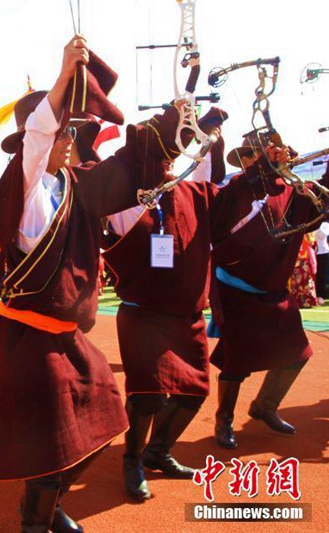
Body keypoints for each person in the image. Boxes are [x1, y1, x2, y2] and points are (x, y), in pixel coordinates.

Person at [0, 35, 206, 531]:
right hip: (31, 341)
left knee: (103, 425)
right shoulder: (22, 191)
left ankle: (50, 503)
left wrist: (177, 118)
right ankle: (36, 520)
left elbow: (129, 166)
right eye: (60, 132)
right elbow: (35, 145)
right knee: (49, 446)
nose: (65, 139)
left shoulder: (74, 185)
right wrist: (62, 79)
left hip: (69, 339)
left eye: (67, 133)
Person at [102, 128, 281, 501]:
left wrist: (265, 168)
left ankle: (158, 451)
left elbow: (234, 197)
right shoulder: (121, 199)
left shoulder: (194, 192)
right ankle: (132, 459)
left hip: (187, 317)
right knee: (148, 395)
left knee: (193, 393)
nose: (166, 164)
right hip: (143, 314)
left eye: (169, 157)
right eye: (157, 156)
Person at [211, 142, 329, 449]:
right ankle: (224, 418)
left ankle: (265, 405)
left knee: (297, 353)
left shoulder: (296, 192)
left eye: (260, 155)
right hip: (235, 287)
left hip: (273, 289)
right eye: (250, 156)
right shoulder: (236, 189)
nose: (252, 160)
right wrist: (263, 171)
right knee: (236, 361)